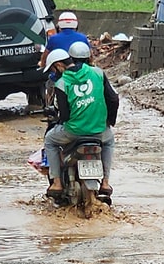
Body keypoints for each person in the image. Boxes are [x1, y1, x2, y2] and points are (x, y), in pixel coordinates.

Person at [42, 48, 119, 198]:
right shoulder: (98, 72)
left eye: (53, 69)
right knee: (109, 141)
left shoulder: (61, 83)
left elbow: (65, 115)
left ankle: (57, 182)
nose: (55, 72)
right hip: (100, 130)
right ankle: (105, 182)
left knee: (50, 140)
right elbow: (114, 99)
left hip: (74, 132)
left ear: (59, 65)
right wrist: (109, 122)